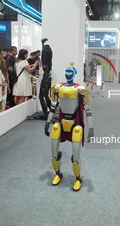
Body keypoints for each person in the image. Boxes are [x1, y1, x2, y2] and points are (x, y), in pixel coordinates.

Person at [44, 62, 94, 191]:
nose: (68, 74)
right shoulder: (57, 88)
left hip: (75, 123)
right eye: (66, 72)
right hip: (61, 122)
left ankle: (78, 178)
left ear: (75, 74)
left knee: (76, 156)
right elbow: (53, 106)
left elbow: (87, 109)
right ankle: (57, 174)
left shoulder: (80, 90)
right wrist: (47, 122)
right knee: (54, 153)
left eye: (70, 72)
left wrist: (91, 128)